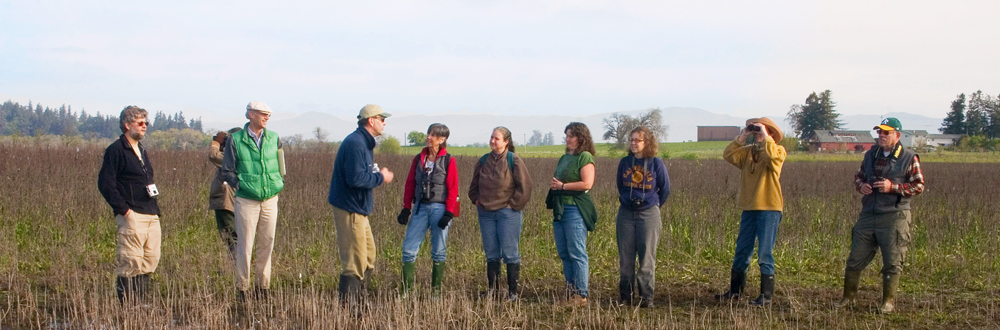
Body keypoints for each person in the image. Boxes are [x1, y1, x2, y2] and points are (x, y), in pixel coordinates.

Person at [834, 117, 924, 313]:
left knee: (892, 261)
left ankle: (887, 302)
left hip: (895, 216)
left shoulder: (909, 157)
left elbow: (918, 185)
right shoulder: (870, 155)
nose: (881, 136)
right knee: (854, 258)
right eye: (879, 132)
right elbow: (858, 177)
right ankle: (848, 298)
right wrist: (861, 186)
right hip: (868, 214)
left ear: (897, 135)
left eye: (886, 132)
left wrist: (894, 187)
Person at [715, 117, 786, 305]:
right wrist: (743, 136)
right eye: (755, 131)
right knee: (742, 250)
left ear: (770, 133)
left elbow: (772, 159)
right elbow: (728, 155)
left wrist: (766, 138)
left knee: (765, 252)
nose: (757, 134)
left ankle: (766, 295)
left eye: (760, 130)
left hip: (769, 208)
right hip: (748, 207)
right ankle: (735, 291)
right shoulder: (748, 152)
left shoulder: (777, 150)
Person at [328, 104, 394, 304]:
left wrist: (375, 175)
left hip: (359, 209)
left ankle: (361, 298)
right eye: (382, 119)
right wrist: (381, 177)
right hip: (350, 208)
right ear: (371, 120)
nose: (384, 123)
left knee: (368, 256)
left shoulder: (364, 142)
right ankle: (349, 308)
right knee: (354, 261)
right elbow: (355, 179)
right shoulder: (356, 143)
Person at [220, 101, 284, 301]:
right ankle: (243, 288)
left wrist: (278, 183)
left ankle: (263, 287)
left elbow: (282, 166)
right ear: (250, 115)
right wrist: (240, 185)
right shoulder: (235, 140)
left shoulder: (274, 138)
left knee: (267, 243)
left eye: (268, 114)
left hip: (270, 198)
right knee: (245, 245)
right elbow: (227, 170)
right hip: (246, 200)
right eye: (263, 114)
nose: (266, 117)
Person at [98, 105, 161, 304]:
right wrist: (124, 210)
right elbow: (106, 183)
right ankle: (127, 308)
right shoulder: (116, 150)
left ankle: (141, 304)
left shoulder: (142, 150)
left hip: (151, 213)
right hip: (132, 215)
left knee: (150, 260)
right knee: (130, 261)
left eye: (146, 123)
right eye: (140, 123)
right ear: (127, 125)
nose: (144, 127)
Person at [468, 126, 533, 300]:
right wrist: (476, 200)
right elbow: (473, 186)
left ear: (506, 142)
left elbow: (525, 187)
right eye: (491, 137)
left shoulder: (514, 160)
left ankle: (512, 293)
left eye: (496, 138)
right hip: (486, 214)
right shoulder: (483, 161)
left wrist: (513, 205)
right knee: (491, 252)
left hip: (507, 214)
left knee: (510, 252)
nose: (492, 141)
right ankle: (493, 291)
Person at [397, 123, 460, 296]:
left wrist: (448, 213)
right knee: (409, 250)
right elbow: (410, 184)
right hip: (420, 208)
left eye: (433, 135)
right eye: (429, 134)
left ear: (442, 139)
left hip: (440, 208)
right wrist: (406, 208)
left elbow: (453, 188)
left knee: (438, 250)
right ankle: (405, 292)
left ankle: (435, 294)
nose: (429, 137)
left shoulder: (449, 160)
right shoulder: (418, 159)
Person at [615, 126, 670, 308]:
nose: (633, 143)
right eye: (631, 140)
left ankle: (647, 297)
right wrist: (627, 200)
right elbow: (620, 186)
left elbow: (665, 189)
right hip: (626, 213)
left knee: (647, 257)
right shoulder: (624, 162)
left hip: (648, 214)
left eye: (637, 140)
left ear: (646, 143)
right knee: (626, 257)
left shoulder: (656, 163)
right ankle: (626, 296)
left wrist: (650, 204)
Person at [545, 122, 597, 307]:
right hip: (560, 208)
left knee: (577, 252)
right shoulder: (564, 157)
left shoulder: (585, 157)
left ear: (581, 138)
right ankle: (570, 291)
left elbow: (587, 184)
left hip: (575, 209)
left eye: (572, 135)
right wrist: (555, 186)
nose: (568, 139)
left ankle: (581, 294)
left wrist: (563, 186)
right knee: (564, 253)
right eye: (566, 135)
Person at [209, 127, 241, 259]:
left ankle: (235, 266)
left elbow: (213, 156)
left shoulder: (234, 157)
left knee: (231, 236)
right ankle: (237, 265)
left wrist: (216, 142)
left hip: (226, 201)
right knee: (235, 236)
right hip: (234, 201)